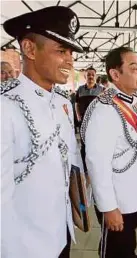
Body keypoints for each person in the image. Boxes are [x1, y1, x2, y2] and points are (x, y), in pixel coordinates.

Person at [1, 6, 84, 258]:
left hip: (61, 233)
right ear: (29, 49)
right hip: (24, 247)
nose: (69, 60)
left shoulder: (61, 102)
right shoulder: (5, 109)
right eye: (61, 51)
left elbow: (69, 162)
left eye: (70, 52)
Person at [81, 46, 137, 258]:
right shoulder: (104, 110)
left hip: (133, 191)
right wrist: (108, 207)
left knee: (127, 239)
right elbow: (96, 163)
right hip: (118, 198)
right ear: (115, 74)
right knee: (114, 247)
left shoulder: (132, 100)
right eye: (134, 68)